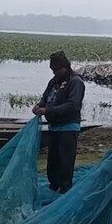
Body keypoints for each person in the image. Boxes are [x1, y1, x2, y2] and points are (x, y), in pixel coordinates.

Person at [32, 51, 86, 194]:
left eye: (56, 70)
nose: (54, 73)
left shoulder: (75, 82)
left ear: (65, 67)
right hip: (54, 128)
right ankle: (53, 187)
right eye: (53, 70)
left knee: (65, 162)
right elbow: (45, 98)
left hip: (68, 128)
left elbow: (72, 105)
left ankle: (64, 190)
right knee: (53, 163)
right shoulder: (54, 81)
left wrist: (48, 111)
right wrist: (39, 106)